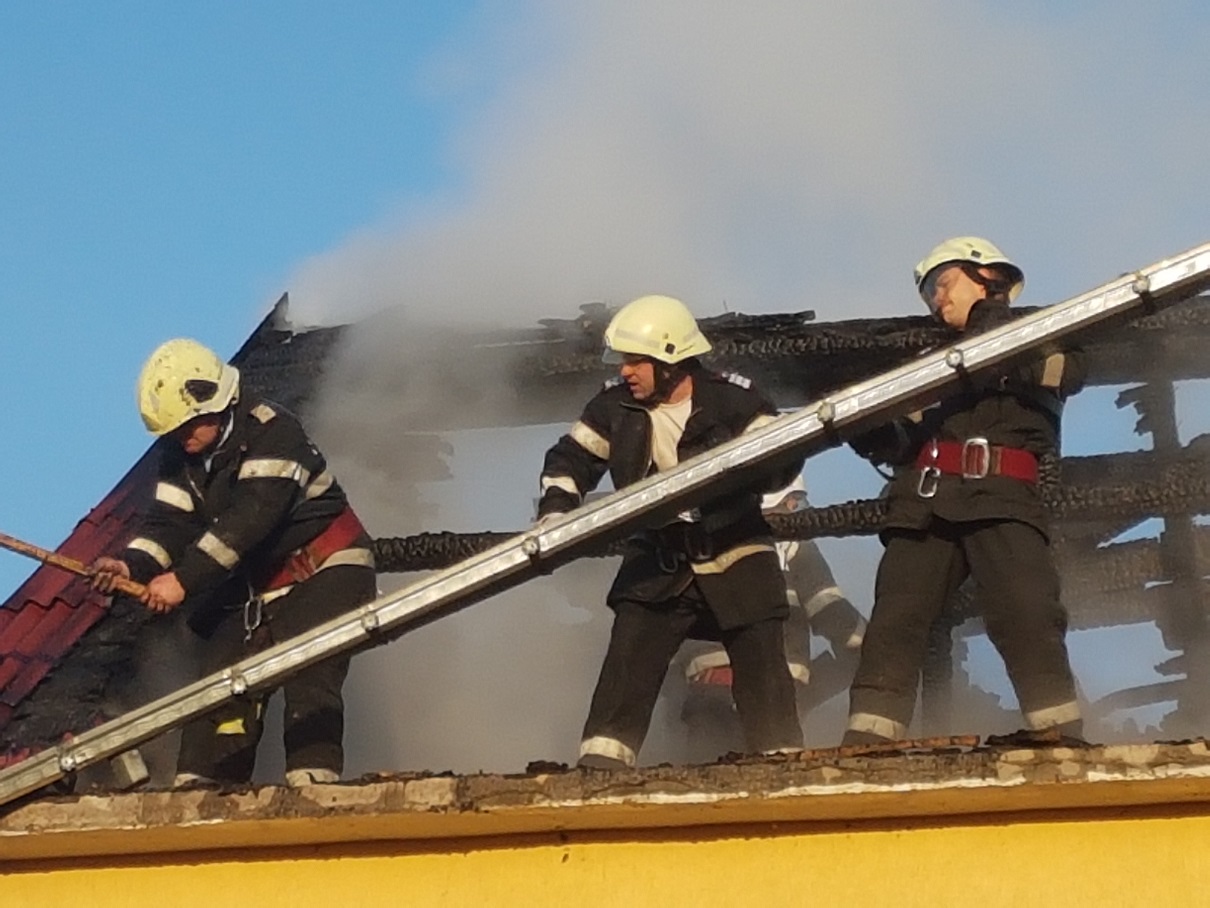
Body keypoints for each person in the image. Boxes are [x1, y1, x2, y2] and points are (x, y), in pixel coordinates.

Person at [537, 294, 806, 770]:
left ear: (671, 360)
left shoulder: (735, 401)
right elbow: (571, 459)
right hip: (658, 561)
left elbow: (781, 464)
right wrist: (557, 510)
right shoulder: (613, 406)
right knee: (626, 668)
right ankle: (600, 771)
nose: (626, 371)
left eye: (637, 361)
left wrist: (741, 470)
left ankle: (783, 770)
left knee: (764, 674)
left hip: (736, 554)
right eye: (623, 361)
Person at [92, 338, 377, 787]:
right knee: (218, 692)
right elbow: (168, 523)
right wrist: (131, 567)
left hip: (327, 568)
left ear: (215, 400)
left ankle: (315, 791)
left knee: (309, 667)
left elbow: (249, 522)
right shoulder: (180, 457)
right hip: (255, 590)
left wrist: (182, 581)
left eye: (187, 426)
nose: (182, 439)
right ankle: (201, 796)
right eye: (172, 432)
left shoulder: (274, 432)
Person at [842, 237, 1085, 746]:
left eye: (943, 283)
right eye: (930, 291)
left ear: (987, 277)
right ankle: (868, 740)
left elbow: (1070, 372)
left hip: (1002, 495)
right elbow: (905, 435)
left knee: (1027, 610)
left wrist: (997, 337)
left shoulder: (1043, 331)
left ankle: (1057, 731)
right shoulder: (927, 359)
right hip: (926, 502)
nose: (936, 299)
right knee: (897, 618)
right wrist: (874, 434)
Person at [677, 476, 866, 759]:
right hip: (773, 691)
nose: (794, 508)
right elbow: (829, 609)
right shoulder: (793, 548)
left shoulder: (698, 539)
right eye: (790, 500)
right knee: (774, 768)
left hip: (711, 694)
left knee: (708, 780)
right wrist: (878, 646)